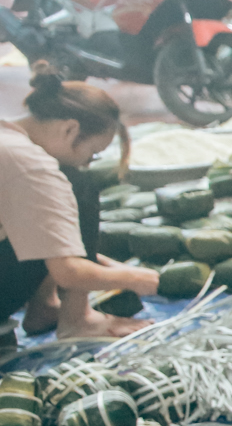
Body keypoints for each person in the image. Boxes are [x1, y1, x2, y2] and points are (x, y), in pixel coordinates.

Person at [0, 69, 158, 347]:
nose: (86, 162)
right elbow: (69, 272)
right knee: (79, 185)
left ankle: (44, 306)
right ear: (70, 129)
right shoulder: (33, 166)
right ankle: (78, 319)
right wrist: (139, 278)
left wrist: (89, 256)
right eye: (92, 153)